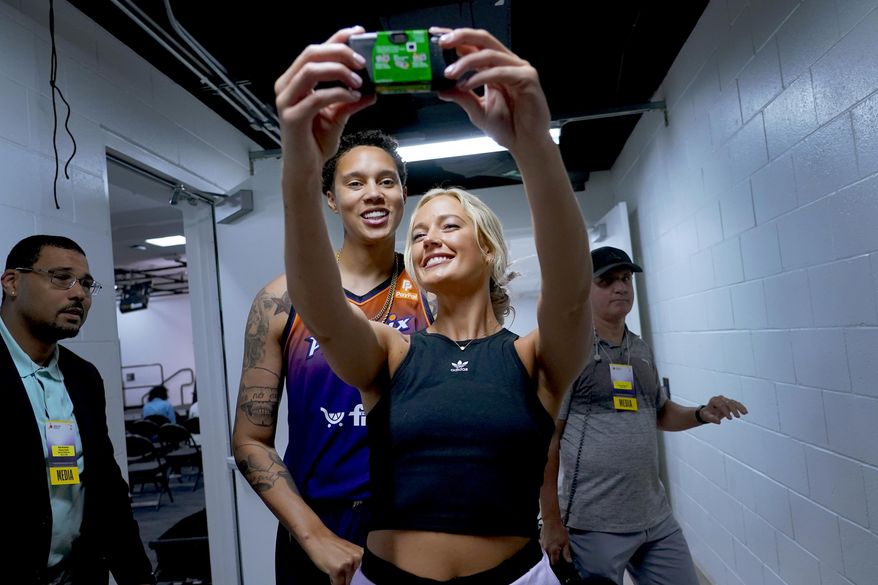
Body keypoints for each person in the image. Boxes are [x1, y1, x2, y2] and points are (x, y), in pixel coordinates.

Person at [276, 25, 592, 585]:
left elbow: (569, 296)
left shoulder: (533, 359)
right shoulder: (392, 353)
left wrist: (532, 142)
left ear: (488, 249)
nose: (428, 239)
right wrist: (300, 170)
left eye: (449, 225)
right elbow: (320, 306)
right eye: (418, 234)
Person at [231, 129, 434, 583]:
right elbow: (249, 439)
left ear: (404, 193)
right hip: (319, 525)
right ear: (330, 198)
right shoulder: (281, 300)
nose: (373, 195)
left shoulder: (433, 294)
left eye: (386, 181)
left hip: (417, 524)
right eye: (355, 182)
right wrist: (312, 535)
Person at [539, 246, 749, 585]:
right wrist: (551, 520)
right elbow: (548, 439)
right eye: (606, 281)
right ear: (584, 289)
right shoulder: (571, 353)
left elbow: (661, 413)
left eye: (625, 279)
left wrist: (700, 413)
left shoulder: (640, 349)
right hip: (593, 524)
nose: (620, 287)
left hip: (655, 518)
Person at [1, 234, 154, 585]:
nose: (79, 294)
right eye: (61, 278)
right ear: (12, 283)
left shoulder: (83, 377)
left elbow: (107, 491)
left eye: (86, 284)